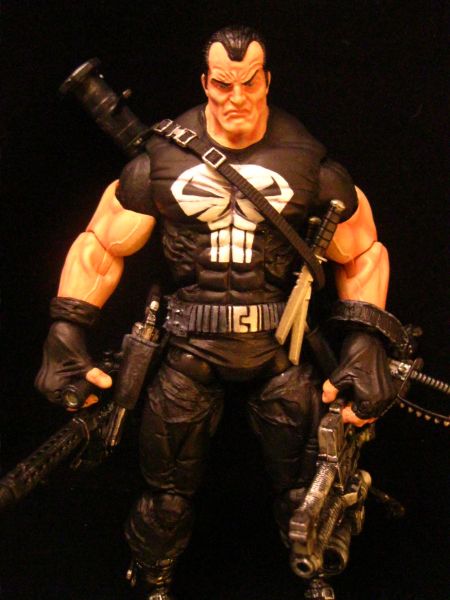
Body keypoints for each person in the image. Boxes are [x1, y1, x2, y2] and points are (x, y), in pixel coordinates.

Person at [36, 26, 397, 600]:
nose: (237, 98)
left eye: (249, 83)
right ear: (205, 82)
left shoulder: (305, 161)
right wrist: (65, 332)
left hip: (278, 351)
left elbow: (362, 252)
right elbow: (100, 245)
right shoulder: (162, 160)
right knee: (165, 494)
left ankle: (317, 578)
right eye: (223, 84)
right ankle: (153, 578)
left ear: (267, 80)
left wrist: (364, 345)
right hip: (188, 351)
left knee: (310, 487)